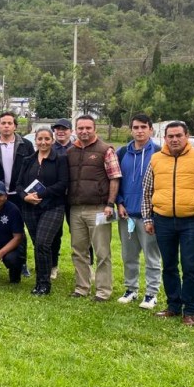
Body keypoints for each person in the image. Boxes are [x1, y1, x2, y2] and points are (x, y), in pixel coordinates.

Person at [142, 121, 194, 326]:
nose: (174, 139)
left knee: (191, 267)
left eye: (179, 135)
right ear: (165, 138)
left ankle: (190, 310)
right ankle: (173, 306)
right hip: (163, 220)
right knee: (168, 266)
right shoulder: (156, 159)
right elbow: (147, 192)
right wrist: (148, 218)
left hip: (192, 221)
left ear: (187, 136)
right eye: (170, 136)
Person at [67, 115, 121, 301]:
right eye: (80, 128)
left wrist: (109, 204)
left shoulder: (105, 150)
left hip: (99, 208)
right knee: (78, 250)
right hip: (75, 209)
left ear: (94, 128)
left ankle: (103, 291)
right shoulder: (70, 151)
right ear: (75, 129)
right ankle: (82, 287)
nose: (84, 131)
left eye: (88, 128)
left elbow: (114, 178)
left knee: (102, 252)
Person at [115, 113, 162, 309]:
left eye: (144, 127)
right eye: (136, 127)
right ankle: (131, 289)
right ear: (131, 129)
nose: (140, 131)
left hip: (150, 215)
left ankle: (151, 293)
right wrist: (119, 202)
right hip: (127, 215)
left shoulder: (160, 152)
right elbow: (115, 180)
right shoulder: (122, 152)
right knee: (128, 255)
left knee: (152, 256)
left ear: (151, 129)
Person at [16, 127, 68, 295]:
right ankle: (39, 282)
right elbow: (18, 185)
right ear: (35, 140)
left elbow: (62, 184)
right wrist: (25, 197)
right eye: (40, 139)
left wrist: (40, 194)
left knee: (43, 243)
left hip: (53, 206)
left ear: (52, 140)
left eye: (47, 139)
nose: (43, 142)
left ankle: (44, 284)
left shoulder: (60, 159)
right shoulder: (28, 160)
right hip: (30, 208)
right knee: (37, 245)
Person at [0, 111, 34, 277]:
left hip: (18, 194)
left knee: (19, 230)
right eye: (3, 123)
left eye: (9, 123)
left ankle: (21, 263)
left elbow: (31, 169)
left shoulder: (26, 145)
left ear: (15, 126)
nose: (6, 126)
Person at [50, 118, 74, 280]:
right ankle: (53, 266)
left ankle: (87, 265)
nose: (60, 131)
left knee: (80, 234)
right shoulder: (50, 149)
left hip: (74, 198)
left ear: (70, 131)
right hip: (55, 198)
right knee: (54, 234)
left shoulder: (77, 148)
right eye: (57, 129)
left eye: (64, 129)